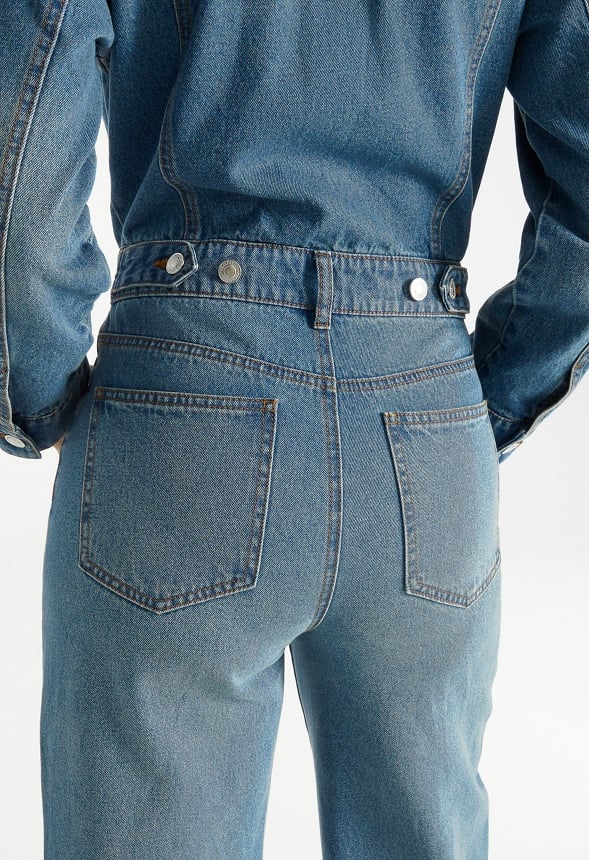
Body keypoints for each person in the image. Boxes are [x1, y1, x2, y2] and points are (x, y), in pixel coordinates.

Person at [0, 1, 587, 858]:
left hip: (183, 396)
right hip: (420, 415)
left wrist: (39, 386)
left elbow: (25, 114)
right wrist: (479, 403)